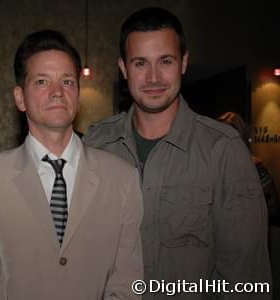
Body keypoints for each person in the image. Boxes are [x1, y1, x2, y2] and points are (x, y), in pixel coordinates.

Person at [83, 7, 271, 299]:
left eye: (166, 61)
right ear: (123, 68)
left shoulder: (222, 149)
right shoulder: (96, 144)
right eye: (140, 63)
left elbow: (245, 280)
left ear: (183, 62)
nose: (153, 77)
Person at [0, 29, 143, 300]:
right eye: (41, 82)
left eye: (68, 81)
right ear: (20, 98)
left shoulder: (122, 179)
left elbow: (127, 282)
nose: (58, 92)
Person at [217, 111, 279, 223]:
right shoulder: (211, 167)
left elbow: (274, 210)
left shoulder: (256, 167)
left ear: (241, 138)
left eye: (229, 136)